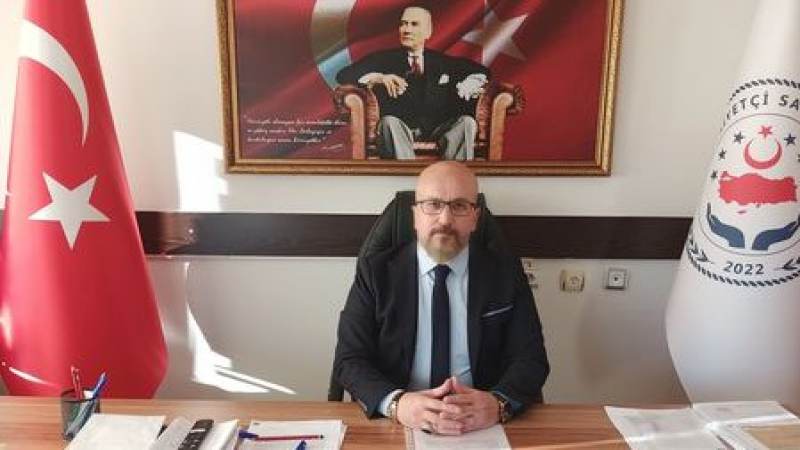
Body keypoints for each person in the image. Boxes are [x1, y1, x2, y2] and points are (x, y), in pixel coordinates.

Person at [333, 161, 549, 435]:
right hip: (399, 423)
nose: (445, 219)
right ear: (415, 215)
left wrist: (498, 404)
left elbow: (531, 358)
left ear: (475, 218)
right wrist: (396, 403)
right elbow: (350, 359)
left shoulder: (505, 273)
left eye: (459, 206)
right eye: (433, 205)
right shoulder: (375, 273)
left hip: (480, 424)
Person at [336, 6, 490, 161]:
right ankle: (405, 174)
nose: (406, 29)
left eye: (414, 24)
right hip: (400, 128)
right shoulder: (384, 59)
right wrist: (379, 78)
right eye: (403, 24)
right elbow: (344, 75)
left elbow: (483, 71)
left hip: (437, 128)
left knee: (467, 122)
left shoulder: (441, 61)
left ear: (428, 32)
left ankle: (454, 174)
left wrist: (471, 82)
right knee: (388, 122)